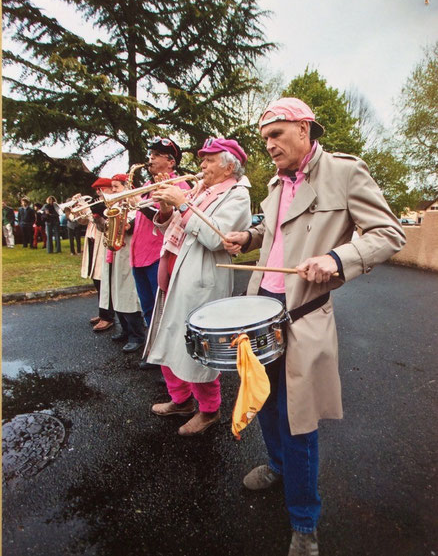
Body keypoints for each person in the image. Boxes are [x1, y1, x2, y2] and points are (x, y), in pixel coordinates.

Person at [223, 97, 406, 556]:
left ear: (305, 129)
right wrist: (249, 237)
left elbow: (389, 233)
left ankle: (304, 522)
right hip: (258, 309)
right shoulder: (275, 183)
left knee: (298, 418)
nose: (268, 145)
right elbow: (275, 231)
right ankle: (278, 466)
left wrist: (337, 258)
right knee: (262, 402)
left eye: (277, 134)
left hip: (303, 315)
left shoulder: (345, 172)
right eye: (264, 138)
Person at [143, 137, 252, 436]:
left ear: (228, 164)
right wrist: (167, 209)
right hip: (174, 270)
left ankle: (209, 410)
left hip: (200, 278)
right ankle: (180, 400)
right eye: (202, 158)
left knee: (198, 347)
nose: (201, 164)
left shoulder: (238, 195)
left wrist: (182, 204)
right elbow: (174, 226)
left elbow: (217, 238)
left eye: (209, 159)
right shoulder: (200, 189)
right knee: (167, 338)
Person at [130, 137, 190, 370]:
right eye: (150, 154)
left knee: (163, 310)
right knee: (147, 308)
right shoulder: (147, 188)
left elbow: (172, 219)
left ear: (170, 161)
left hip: (158, 256)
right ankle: (154, 351)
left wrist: (139, 203)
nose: (150, 159)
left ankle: (167, 356)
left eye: (155, 155)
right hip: (139, 256)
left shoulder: (180, 187)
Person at [99, 174, 145, 353]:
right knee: (117, 292)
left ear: (128, 186)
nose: (114, 191)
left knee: (128, 295)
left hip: (128, 255)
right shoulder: (116, 205)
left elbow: (136, 224)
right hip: (116, 255)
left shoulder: (135, 204)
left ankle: (137, 335)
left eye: (117, 187)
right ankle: (125, 329)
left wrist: (127, 224)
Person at [77, 180, 115, 332]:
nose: (98, 192)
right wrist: (79, 207)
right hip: (93, 243)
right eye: (97, 190)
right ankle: (102, 313)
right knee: (97, 282)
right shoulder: (97, 203)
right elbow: (81, 221)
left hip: (104, 245)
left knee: (104, 282)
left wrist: (94, 212)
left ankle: (108, 317)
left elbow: (103, 226)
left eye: (101, 189)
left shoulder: (110, 203)